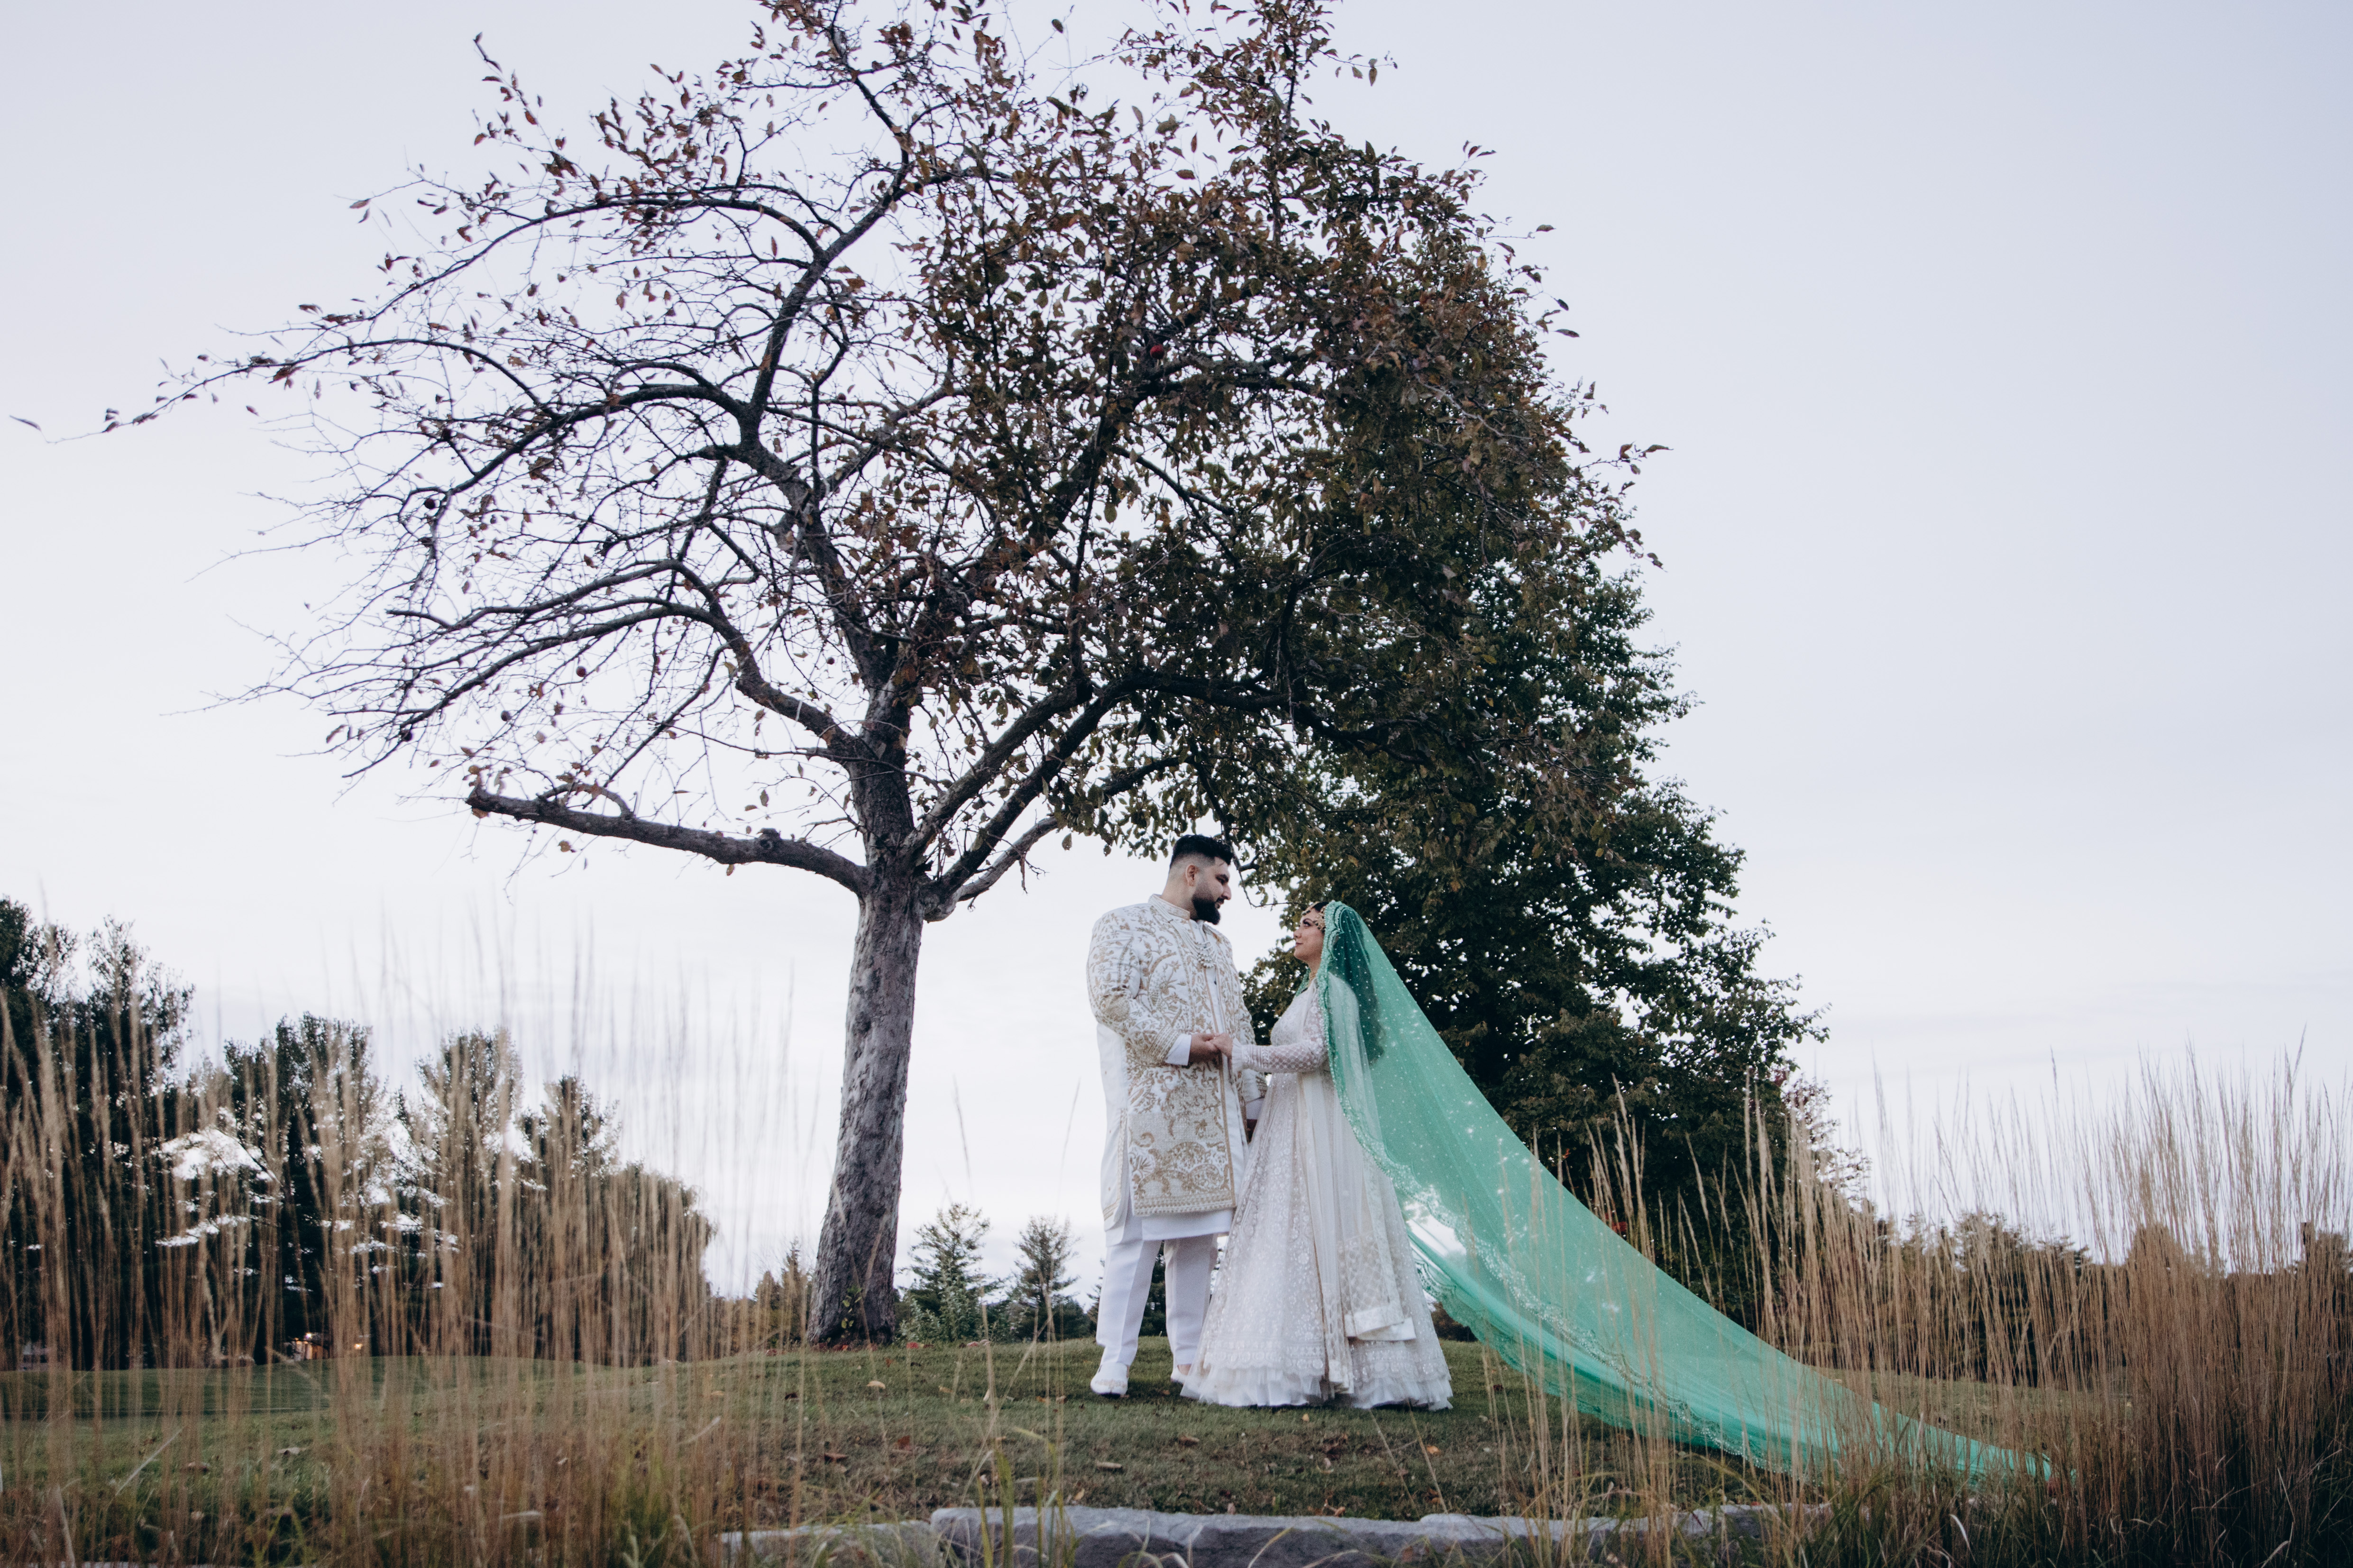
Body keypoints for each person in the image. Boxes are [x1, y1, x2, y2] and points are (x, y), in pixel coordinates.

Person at [1187, 903, 1452, 1408]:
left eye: (1308, 924)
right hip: (1289, 1119)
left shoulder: (1335, 991)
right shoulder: (1309, 992)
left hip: (1318, 1125)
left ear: (1331, 940)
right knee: (1287, 1230)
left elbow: (1317, 1053)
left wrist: (1242, 1051)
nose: (1297, 930)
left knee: (1316, 1226)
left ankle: (1347, 1363)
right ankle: (1288, 1355)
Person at [1083, 833, 1263, 1397]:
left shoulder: (1219, 945)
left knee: (1199, 1239)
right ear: (1191, 873)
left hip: (1214, 1115)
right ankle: (1115, 1360)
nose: (1227, 893)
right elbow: (1111, 999)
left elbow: (1239, 1021)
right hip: (1151, 1107)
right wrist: (1183, 1045)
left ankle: (1190, 1360)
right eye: (1222, 879)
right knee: (1134, 1237)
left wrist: (1253, 1101)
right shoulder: (1122, 924)